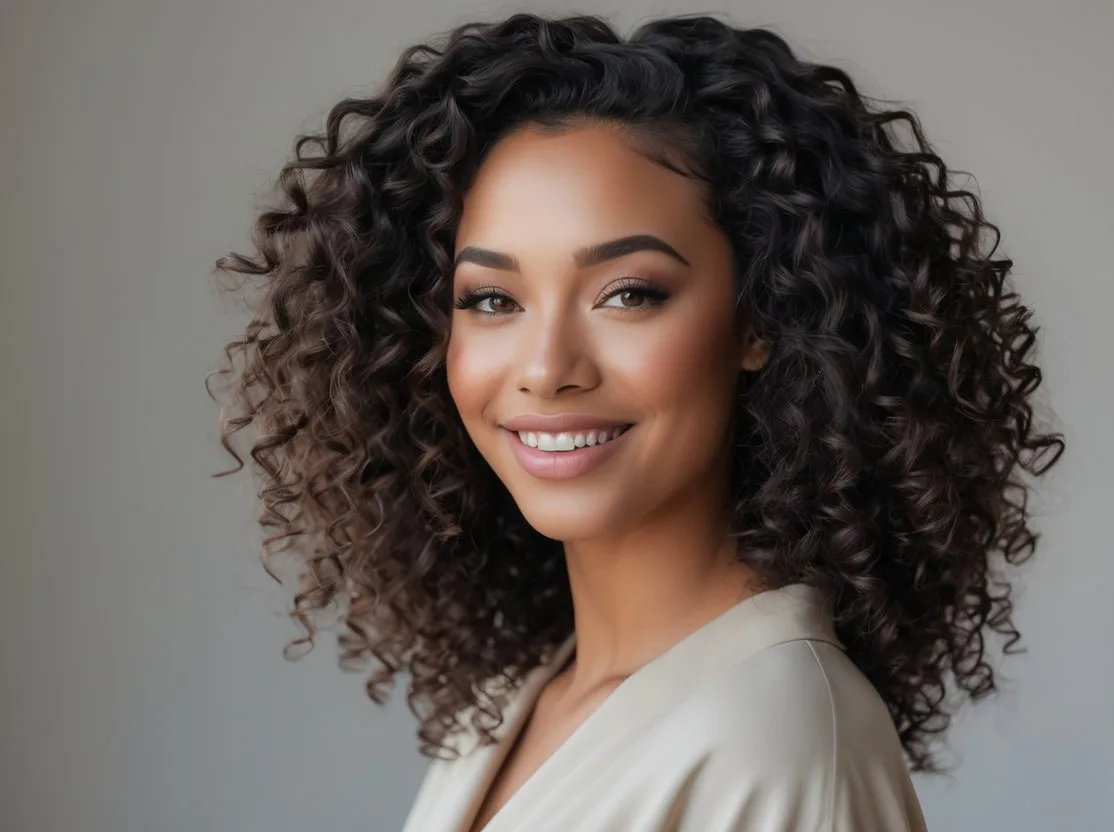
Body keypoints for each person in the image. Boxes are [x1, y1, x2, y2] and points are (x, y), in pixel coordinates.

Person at [208, 11, 1065, 831]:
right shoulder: (519, 699)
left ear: (760, 319)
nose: (545, 368)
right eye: (492, 299)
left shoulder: (777, 740)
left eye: (629, 293)